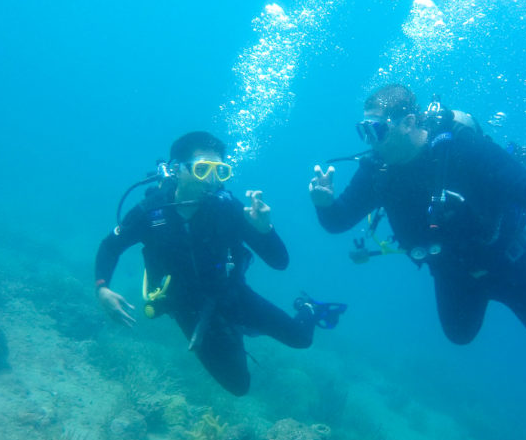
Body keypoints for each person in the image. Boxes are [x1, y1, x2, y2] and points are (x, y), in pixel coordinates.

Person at [308, 85, 526, 351]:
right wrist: (324, 204)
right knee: (459, 335)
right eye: (363, 131)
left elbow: (525, 186)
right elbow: (338, 222)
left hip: (509, 260)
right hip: (452, 272)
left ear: (408, 122)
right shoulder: (377, 171)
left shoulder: (462, 148)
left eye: (376, 130)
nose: (369, 142)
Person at [96, 131, 345, 396]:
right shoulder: (151, 211)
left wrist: (265, 230)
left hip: (232, 295)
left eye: (220, 171)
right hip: (186, 306)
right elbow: (110, 246)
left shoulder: (227, 209)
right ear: (177, 170)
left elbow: (279, 262)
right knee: (238, 386)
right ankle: (235, 329)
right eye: (202, 169)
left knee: (302, 339)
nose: (212, 180)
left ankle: (307, 307)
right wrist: (102, 288)